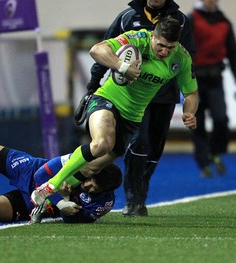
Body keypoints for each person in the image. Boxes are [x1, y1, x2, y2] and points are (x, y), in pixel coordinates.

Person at [31, 16, 199, 207]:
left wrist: (189, 112)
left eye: (170, 47)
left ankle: (52, 201)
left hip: (132, 117)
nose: (165, 51)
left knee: (92, 167)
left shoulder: (181, 58)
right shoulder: (137, 39)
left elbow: (191, 93)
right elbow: (97, 50)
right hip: (107, 100)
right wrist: (122, 66)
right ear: (153, 36)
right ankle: (47, 187)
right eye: (161, 45)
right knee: (102, 143)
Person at [76, 0, 196, 217]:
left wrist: (189, 104)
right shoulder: (128, 17)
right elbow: (106, 47)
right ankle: (133, 199)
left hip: (164, 96)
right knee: (138, 144)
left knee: (154, 150)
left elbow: (187, 61)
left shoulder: (181, 22)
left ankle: (140, 191)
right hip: (131, 95)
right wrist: (92, 86)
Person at [188, 0, 236, 178]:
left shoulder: (224, 22)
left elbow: (232, 53)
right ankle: (203, 162)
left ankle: (215, 151)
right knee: (196, 122)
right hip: (193, 80)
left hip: (215, 79)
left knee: (220, 118)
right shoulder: (191, 20)